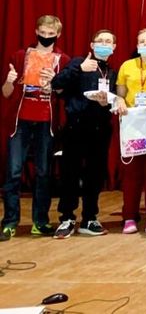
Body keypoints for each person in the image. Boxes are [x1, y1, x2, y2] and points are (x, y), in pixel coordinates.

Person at [1, 15, 70, 240]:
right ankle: (10, 222)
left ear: (58, 34)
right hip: (20, 122)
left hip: (46, 123)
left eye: (51, 33)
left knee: (43, 173)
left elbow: (64, 94)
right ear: (36, 31)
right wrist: (10, 80)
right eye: (43, 32)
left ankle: (40, 221)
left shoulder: (63, 59)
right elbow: (6, 93)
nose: (46, 36)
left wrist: (55, 82)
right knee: (13, 172)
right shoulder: (20, 56)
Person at [51, 30, 119, 239]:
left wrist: (107, 103)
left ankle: (90, 217)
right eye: (100, 41)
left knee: (95, 174)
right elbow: (56, 84)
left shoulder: (112, 72)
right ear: (92, 44)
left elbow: (115, 101)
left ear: (114, 47)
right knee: (70, 173)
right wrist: (79, 69)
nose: (104, 44)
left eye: (108, 42)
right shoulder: (78, 63)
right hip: (76, 126)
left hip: (100, 128)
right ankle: (67, 218)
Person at [115, 29, 146, 234]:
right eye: (142, 41)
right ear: (137, 45)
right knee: (131, 172)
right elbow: (121, 94)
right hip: (132, 123)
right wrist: (120, 101)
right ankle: (129, 216)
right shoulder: (127, 65)